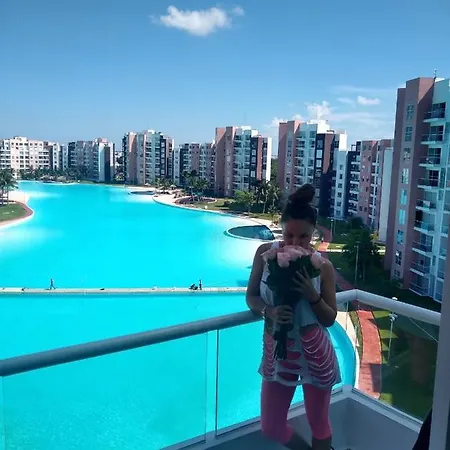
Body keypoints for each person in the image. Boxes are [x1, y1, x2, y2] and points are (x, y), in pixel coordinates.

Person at [246, 184, 339, 450]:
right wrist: (269, 311)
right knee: (271, 426)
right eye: (289, 234)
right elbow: (251, 297)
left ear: (314, 233)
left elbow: (329, 319)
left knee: (319, 423)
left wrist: (312, 295)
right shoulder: (265, 254)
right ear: (281, 228)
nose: (295, 243)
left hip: (315, 352)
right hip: (278, 351)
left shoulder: (323, 267)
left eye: (304, 237)